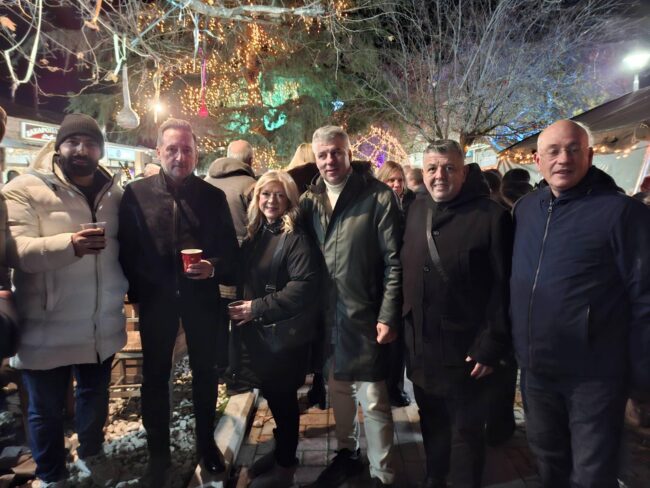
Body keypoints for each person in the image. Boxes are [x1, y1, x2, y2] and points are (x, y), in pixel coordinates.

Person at [510, 120, 650, 488]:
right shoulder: (527, 209)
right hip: (537, 370)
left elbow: (645, 299)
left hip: (594, 376)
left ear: (589, 155)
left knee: (592, 473)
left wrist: (642, 380)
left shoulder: (622, 213)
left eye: (573, 150)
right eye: (553, 151)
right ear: (538, 160)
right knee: (548, 463)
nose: (563, 159)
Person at [2, 113, 128, 487]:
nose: (81, 150)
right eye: (73, 142)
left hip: (99, 321)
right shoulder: (26, 188)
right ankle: (51, 476)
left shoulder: (115, 194)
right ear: (58, 147)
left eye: (90, 143)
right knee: (45, 409)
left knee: (94, 395)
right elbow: (16, 251)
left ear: (100, 150)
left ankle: (91, 455)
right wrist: (69, 245)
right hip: (46, 321)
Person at [118, 118, 239, 486]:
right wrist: (138, 292)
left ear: (196, 153)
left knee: (205, 373)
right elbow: (126, 250)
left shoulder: (212, 197)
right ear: (158, 151)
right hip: (156, 300)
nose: (179, 156)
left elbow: (231, 252)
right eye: (172, 149)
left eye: (187, 149)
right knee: (155, 377)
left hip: (201, 300)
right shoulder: (135, 194)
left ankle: (206, 443)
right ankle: (158, 455)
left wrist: (212, 266)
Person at [402, 140, 512, 488]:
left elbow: (505, 287)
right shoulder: (416, 209)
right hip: (422, 349)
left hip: (467, 352)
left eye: (449, 168)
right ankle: (435, 476)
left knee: (466, 433)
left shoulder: (491, 216)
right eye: (432, 168)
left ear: (464, 172)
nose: (440, 175)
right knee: (431, 421)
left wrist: (491, 345)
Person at [301, 126, 401, 488]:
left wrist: (388, 314)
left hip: (365, 314)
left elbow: (394, 262)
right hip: (328, 316)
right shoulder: (310, 200)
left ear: (348, 154)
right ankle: (347, 452)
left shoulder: (378, 197)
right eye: (323, 154)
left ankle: (382, 473)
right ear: (315, 158)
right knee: (339, 389)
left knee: (373, 397)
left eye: (336, 152)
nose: (330, 160)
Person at [228, 171, 320, 487]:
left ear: (290, 200)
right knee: (275, 398)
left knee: (284, 402)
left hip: (282, 339)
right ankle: (281, 451)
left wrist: (256, 307)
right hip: (261, 336)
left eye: (280, 195)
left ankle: (285, 466)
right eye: (266, 194)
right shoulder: (258, 233)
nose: (272, 201)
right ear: (257, 198)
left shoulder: (295, 237)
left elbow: (303, 287)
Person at [375, 160, 412, 408]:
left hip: (403, 280)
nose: (397, 184)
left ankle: (395, 388)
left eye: (400, 180)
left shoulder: (411, 206)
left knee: (397, 343)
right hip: (381, 280)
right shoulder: (376, 206)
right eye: (391, 180)